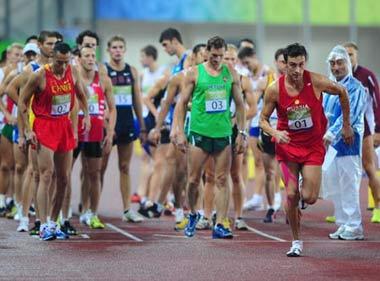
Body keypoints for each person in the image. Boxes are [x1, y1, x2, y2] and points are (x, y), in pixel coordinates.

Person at [259, 43, 353, 257]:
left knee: (309, 198)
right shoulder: (275, 89)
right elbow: (262, 119)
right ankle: (296, 241)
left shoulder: (317, 81)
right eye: (292, 65)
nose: (297, 70)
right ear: (285, 65)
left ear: (305, 63)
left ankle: (301, 190)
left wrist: (346, 125)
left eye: (301, 65)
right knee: (291, 195)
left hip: (312, 147)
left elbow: (342, 91)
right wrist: (275, 133)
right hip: (287, 146)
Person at [175, 36, 246, 239]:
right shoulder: (194, 73)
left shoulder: (230, 73)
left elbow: (240, 105)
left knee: (222, 179)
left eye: (221, 56)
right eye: (213, 55)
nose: (217, 59)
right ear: (206, 52)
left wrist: (241, 132)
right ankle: (193, 213)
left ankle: (221, 223)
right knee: (193, 180)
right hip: (199, 134)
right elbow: (181, 104)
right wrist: (179, 131)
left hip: (223, 134)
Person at [19, 42, 91, 241]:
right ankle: (42, 225)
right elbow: (22, 102)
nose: (63, 66)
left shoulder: (73, 71)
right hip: (44, 126)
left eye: (66, 62)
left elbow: (82, 96)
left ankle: (53, 223)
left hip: (64, 126)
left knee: (64, 178)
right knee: (46, 174)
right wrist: (26, 129)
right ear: (52, 58)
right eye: (59, 62)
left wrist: (86, 116)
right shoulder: (39, 75)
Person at [322, 45, 367, 240]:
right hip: (330, 143)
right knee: (334, 184)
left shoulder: (355, 87)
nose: (336, 67)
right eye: (332, 63)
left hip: (349, 140)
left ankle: (355, 225)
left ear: (347, 64)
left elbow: (351, 114)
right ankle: (343, 222)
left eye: (340, 62)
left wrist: (331, 134)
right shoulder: (329, 87)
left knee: (349, 183)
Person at [102, 35, 147, 223]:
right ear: (109, 50)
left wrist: (142, 125)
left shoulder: (132, 71)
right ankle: (89, 207)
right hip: (107, 123)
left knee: (125, 167)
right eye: (114, 47)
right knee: (99, 168)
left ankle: (127, 209)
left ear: (125, 50)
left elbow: (136, 98)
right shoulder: (103, 70)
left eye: (121, 47)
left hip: (127, 122)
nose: (118, 50)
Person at [73, 45, 116, 229]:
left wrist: (111, 131)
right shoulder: (73, 78)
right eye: (87, 56)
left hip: (95, 131)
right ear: (80, 59)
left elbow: (112, 108)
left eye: (93, 56)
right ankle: (61, 213)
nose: (91, 59)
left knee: (94, 174)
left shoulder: (104, 80)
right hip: (75, 129)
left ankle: (92, 212)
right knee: (64, 174)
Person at [344, 42, 380, 223]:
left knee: (369, 167)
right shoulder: (338, 77)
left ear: (356, 56)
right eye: (345, 55)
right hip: (343, 130)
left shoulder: (367, 76)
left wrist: (377, 130)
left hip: (365, 129)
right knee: (345, 172)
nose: (348, 58)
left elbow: (377, 103)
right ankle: (343, 211)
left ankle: (378, 207)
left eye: (351, 54)